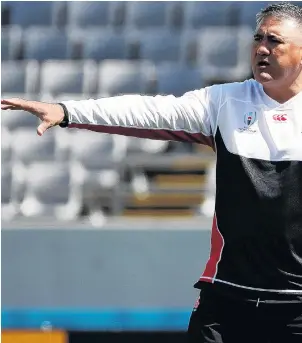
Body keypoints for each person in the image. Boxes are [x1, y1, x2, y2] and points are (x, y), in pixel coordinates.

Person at [2, 2, 302, 342]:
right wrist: (66, 110)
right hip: (227, 298)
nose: (262, 48)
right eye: (257, 38)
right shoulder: (225, 102)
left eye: (274, 41)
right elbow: (150, 111)